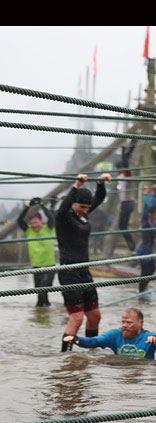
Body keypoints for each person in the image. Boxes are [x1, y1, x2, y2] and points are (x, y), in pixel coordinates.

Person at [55, 172, 111, 352]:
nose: (86, 210)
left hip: (84, 271)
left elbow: (99, 198)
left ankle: (91, 352)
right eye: (82, 206)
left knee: (95, 315)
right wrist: (77, 185)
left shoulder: (84, 213)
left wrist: (101, 183)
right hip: (69, 271)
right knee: (77, 318)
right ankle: (66, 357)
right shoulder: (63, 217)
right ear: (73, 203)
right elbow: (62, 208)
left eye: (87, 207)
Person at [63, 307, 156, 360]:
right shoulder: (114, 335)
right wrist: (76, 339)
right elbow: (94, 341)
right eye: (123, 322)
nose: (124, 326)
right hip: (121, 373)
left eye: (129, 323)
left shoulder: (149, 337)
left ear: (140, 323)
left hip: (143, 374)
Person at [17, 198, 56, 307]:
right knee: (40, 293)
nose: (34, 225)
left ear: (41, 221)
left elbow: (51, 217)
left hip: (49, 267)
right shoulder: (29, 230)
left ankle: (41, 311)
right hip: (36, 267)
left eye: (36, 222)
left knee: (43, 290)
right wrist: (28, 206)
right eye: (32, 223)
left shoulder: (48, 228)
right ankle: (44, 312)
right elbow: (19, 220)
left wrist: (42, 206)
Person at [136, 185, 156, 294]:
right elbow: (146, 206)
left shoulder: (152, 222)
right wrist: (145, 193)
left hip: (149, 250)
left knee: (152, 269)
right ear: (151, 213)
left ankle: (144, 289)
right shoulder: (146, 221)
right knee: (145, 271)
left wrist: (153, 192)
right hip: (143, 250)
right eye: (155, 213)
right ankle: (142, 290)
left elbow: (152, 205)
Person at [116, 141, 137, 253]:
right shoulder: (122, 175)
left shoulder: (127, 174)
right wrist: (129, 149)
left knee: (122, 225)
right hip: (126, 203)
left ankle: (132, 246)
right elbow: (126, 160)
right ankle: (132, 246)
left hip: (127, 203)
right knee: (122, 225)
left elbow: (126, 163)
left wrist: (123, 153)